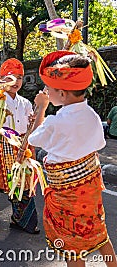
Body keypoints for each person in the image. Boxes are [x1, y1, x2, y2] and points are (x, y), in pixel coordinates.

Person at [28, 50, 117, 266]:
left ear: (62, 93)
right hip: (90, 191)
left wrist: (41, 108)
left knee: (72, 246)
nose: (46, 92)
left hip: (66, 195)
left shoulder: (54, 122)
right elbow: (100, 144)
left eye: (48, 89)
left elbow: (32, 139)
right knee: (100, 233)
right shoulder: (92, 116)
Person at [0, 58, 40, 236]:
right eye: (10, 77)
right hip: (3, 144)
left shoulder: (25, 102)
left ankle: (21, 218)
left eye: (19, 77)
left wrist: (32, 122)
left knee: (24, 183)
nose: (16, 82)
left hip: (23, 145)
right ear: (1, 79)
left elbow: (32, 127)